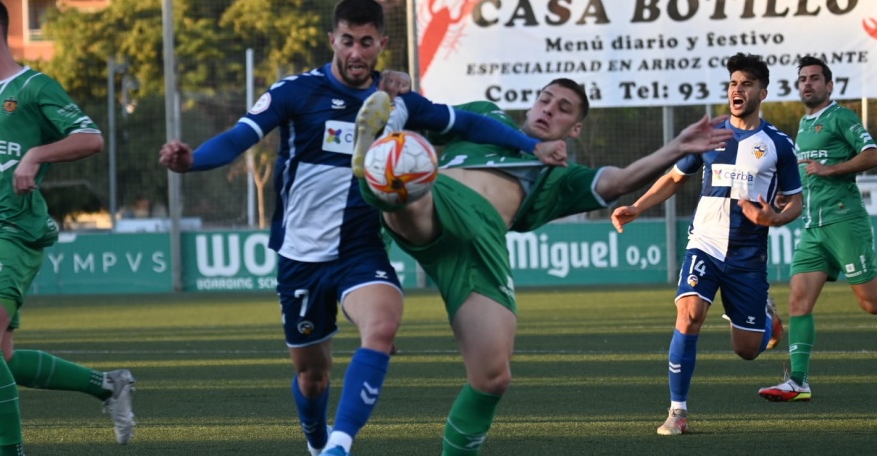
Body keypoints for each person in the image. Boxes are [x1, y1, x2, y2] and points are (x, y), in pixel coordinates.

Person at [158, 2, 559, 455]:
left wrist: (532, 146)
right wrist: (191, 161)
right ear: (333, 40)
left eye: (366, 42)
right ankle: (316, 441)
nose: (355, 52)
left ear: (381, 45)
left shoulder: (399, 103)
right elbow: (239, 138)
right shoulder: (296, 92)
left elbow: (466, 122)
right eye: (347, 40)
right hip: (301, 256)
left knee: (383, 326)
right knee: (313, 377)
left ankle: (340, 446)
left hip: (359, 249)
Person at [350, 74, 734, 453]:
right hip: (441, 200)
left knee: (492, 377)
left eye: (563, 108)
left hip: (482, 247)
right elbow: (424, 114)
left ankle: (382, 176)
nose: (549, 109)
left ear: (576, 128)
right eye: (545, 99)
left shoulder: (562, 175)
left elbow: (619, 180)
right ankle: (376, 169)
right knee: (407, 181)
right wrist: (394, 89)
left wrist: (675, 147)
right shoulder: (487, 117)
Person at [0, 1, 135, 454]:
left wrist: (35, 154)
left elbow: (91, 138)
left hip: (13, 230)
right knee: (1, 357)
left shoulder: (34, 88)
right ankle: (109, 386)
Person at [609, 53, 804, 435]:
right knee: (689, 316)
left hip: (748, 256)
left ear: (762, 92)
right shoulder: (711, 134)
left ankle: (765, 317)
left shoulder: (778, 144)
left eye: (746, 84)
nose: (737, 89)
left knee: (747, 350)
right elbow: (675, 178)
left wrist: (774, 218)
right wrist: (636, 205)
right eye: (733, 83)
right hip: (705, 245)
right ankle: (677, 412)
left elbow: (796, 201)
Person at [757, 56, 877, 402]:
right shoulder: (804, 125)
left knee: (871, 304)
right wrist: (786, 196)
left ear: (829, 85)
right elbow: (805, 174)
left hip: (844, 221)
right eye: (803, 80)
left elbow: (871, 153)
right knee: (798, 302)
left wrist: (831, 168)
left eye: (814, 79)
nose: (807, 84)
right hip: (813, 228)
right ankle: (798, 381)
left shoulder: (841, 117)